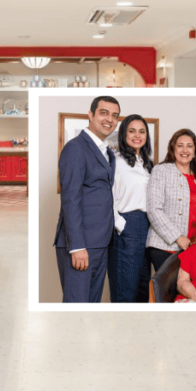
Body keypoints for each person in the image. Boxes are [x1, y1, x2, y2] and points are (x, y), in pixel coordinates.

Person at [53, 96, 120, 303]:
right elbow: (70, 199)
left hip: (100, 242)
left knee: (91, 306)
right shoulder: (76, 148)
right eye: (104, 113)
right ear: (90, 115)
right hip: (81, 244)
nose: (109, 119)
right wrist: (77, 246)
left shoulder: (107, 152)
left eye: (115, 115)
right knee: (77, 306)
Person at [146, 129, 196, 275]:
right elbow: (153, 209)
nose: (185, 150)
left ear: (195, 151)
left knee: (188, 293)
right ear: (173, 149)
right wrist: (177, 237)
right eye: (180, 145)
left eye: (189, 146)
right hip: (165, 246)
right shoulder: (161, 170)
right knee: (168, 294)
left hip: (194, 248)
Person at [108, 115, 154, 303]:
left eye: (142, 131)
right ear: (123, 135)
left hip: (148, 228)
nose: (137, 135)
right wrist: (121, 225)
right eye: (132, 131)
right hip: (127, 227)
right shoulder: (116, 162)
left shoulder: (147, 164)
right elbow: (107, 198)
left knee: (142, 286)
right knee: (124, 289)